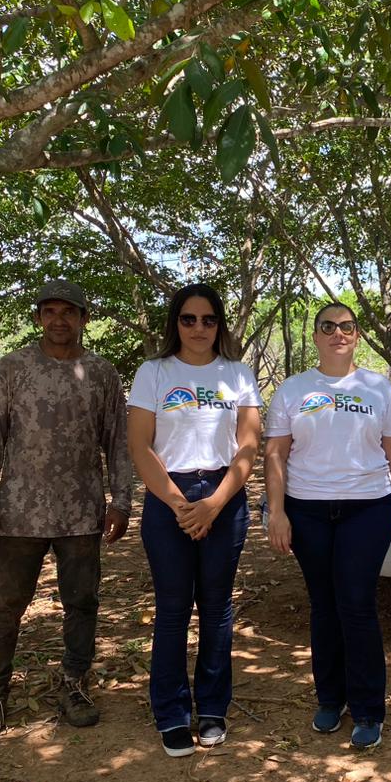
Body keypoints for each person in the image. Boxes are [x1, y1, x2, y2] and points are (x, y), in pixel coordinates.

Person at [0, 279, 132, 744]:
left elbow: (117, 441)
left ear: (84, 319)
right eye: (50, 311)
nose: (59, 320)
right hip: (18, 511)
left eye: (69, 312)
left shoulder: (101, 373)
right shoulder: (13, 368)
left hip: (81, 513)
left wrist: (121, 500)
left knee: (81, 604)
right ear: (39, 317)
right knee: (5, 608)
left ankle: (75, 687)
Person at [264, 303, 391, 751]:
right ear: (315, 335)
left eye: (346, 327)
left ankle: (369, 708)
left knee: (355, 602)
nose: (337, 333)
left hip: (367, 509)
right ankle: (330, 699)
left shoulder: (378, 388)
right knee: (323, 605)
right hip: (308, 510)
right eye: (328, 326)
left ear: (356, 335)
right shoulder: (294, 389)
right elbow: (275, 454)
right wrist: (277, 512)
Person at [126, 284, 261, 758]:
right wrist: (181, 504)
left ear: (219, 324)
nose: (199, 328)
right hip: (170, 497)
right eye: (189, 319)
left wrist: (216, 502)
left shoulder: (238, 374)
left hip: (224, 495)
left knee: (218, 608)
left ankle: (212, 708)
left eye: (208, 320)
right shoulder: (154, 372)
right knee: (173, 608)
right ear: (175, 323)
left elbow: (248, 447)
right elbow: (141, 446)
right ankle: (171, 712)